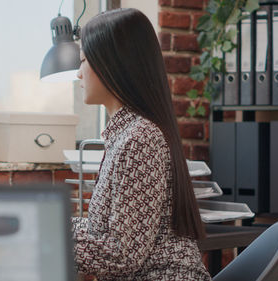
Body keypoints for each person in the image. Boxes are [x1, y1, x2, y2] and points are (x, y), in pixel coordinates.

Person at [72, 8, 211, 281]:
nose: (78, 74)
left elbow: (121, 256)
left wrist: (49, 235)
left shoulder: (140, 138)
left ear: (110, 65)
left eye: (83, 61)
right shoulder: (126, 134)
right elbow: (105, 232)